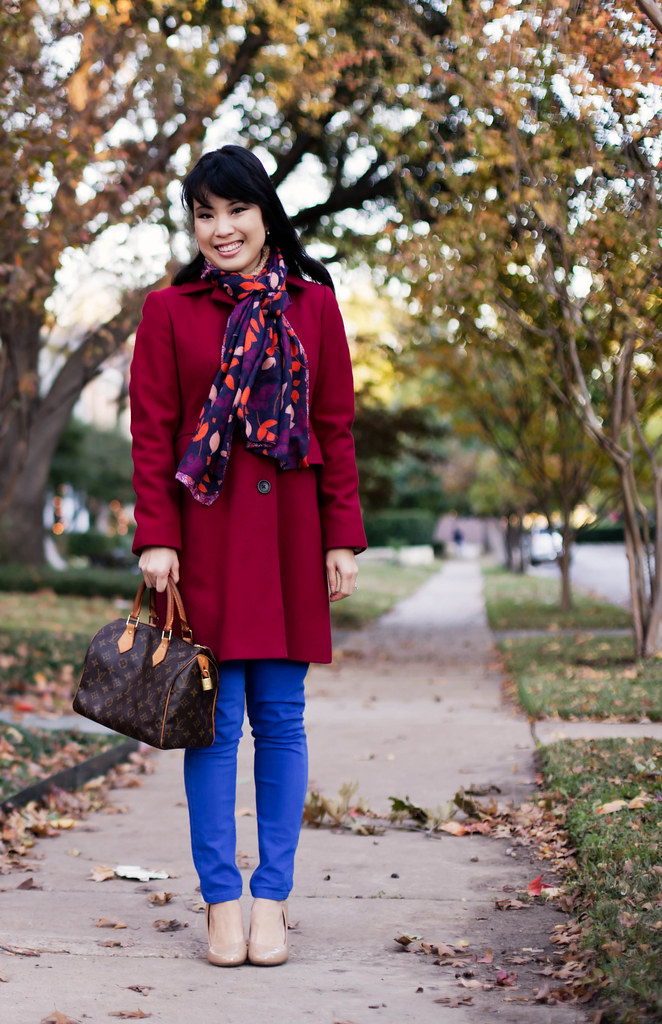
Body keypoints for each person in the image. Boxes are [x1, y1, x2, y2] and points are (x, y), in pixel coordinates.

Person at [129, 145, 366, 968]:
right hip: (206, 542)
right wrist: (156, 534)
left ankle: (274, 898)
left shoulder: (314, 306)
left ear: (266, 214)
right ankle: (221, 901)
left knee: (281, 718)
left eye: (236, 210)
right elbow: (153, 431)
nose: (221, 229)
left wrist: (343, 535)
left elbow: (334, 428)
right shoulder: (169, 310)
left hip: (293, 534)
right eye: (204, 213)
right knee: (214, 725)